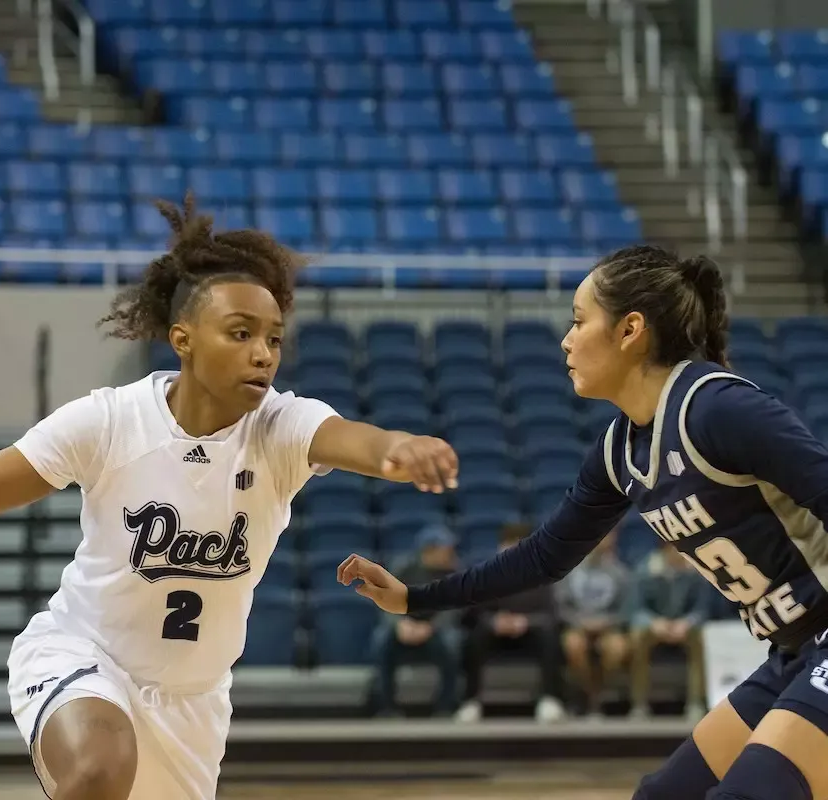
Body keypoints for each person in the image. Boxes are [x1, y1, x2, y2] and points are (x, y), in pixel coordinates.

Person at [0, 194, 460, 800]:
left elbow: (350, 439)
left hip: (192, 703)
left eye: (273, 338)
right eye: (240, 333)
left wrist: (395, 449)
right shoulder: (107, 422)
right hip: (83, 655)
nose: (263, 353)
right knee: (100, 768)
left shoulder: (281, 427)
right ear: (183, 339)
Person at [338, 245, 828, 800]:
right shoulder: (619, 450)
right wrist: (416, 599)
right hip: (794, 648)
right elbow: (544, 557)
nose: (566, 340)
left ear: (630, 330)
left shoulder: (719, 409)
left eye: (578, 320)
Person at [455, 524, 566, 724]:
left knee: (549, 635)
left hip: (530, 633)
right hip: (496, 634)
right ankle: (471, 701)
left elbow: (552, 614)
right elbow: (472, 614)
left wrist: (526, 622)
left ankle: (550, 699)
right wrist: (494, 621)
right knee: (476, 635)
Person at [368, 525, 463, 717]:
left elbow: (455, 607)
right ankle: (387, 707)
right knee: (381, 641)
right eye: (446, 549)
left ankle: (445, 707)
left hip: (436, 628)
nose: (451, 554)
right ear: (429, 550)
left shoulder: (454, 571)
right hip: (405, 626)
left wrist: (430, 627)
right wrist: (400, 624)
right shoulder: (403, 568)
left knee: (452, 643)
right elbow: (384, 600)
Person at [627, 544, 712, 721]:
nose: (680, 555)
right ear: (665, 550)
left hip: (684, 627)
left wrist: (687, 622)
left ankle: (696, 702)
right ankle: (639, 704)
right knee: (637, 637)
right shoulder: (645, 570)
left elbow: (702, 609)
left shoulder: (695, 571)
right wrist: (653, 622)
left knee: (702, 638)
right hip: (655, 625)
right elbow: (636, 608)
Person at [555, 527, 630, 717]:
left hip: (608, 627)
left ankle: (598, 694)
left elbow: (626, 608)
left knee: (617, 648)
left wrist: (607, 622)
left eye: (609, 536)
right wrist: (580, 622)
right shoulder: (569, 570)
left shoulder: (620, 572)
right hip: (578, 626)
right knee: (573, 645)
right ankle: (587, 696)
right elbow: (561, 607)